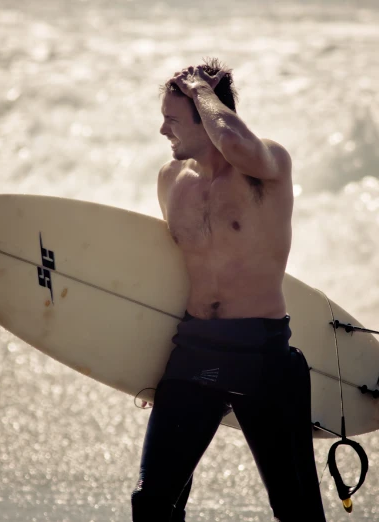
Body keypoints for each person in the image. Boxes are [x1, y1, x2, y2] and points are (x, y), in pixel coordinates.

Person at [130, 58, 326, 521]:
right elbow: (171, 276)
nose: (162, 131)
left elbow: (235, 143)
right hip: (194, 350)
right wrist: (137, 356)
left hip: (262, 353)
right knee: (153, 502)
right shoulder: (170, 181)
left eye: (172, 120)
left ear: (208, 116)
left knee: (296, 510)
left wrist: (201, 89)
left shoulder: (267, 166)